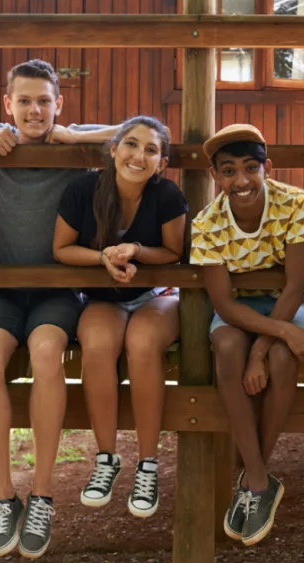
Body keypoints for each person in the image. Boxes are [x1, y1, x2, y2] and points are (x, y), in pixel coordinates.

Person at [0, 59, 119, 559]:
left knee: (46, 353)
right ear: (8, 105)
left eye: (44, 101)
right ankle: (3, 497)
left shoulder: (75, 137)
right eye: (24, 101)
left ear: (59, 104)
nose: (34, 110)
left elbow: (140, 131)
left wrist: (69, 139)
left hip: (57, 290)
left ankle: (42, 494)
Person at [191, 124, 304, 546]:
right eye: (228, 171)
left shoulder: (295, 203)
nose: (241, 180)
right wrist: (269, 340)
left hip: (291, 302)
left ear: (268, 167)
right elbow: (225, 306)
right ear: (216, 177)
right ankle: (259, 480)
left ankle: (254, 480)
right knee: (227, 345)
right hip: (241, 312)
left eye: (251, 167)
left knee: (284, 358)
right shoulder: (207, 223)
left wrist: (263, 351)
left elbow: (296, 283)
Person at [53, 115, 187, 518]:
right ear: (113, 149)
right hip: (102, 296)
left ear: (162, 162)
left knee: (142, 343)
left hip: (154, 294)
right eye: (131, 144)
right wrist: (103, 257)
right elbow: (62, 249)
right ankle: (106, 458)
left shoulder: (166, 195)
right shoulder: (83, 190)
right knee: (96, 344)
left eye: (151, 150)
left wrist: (136, 251)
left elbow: (173, 252)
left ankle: (148, 464)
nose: (138, 155)